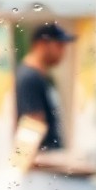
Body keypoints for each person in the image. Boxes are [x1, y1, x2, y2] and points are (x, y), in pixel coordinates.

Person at [16, 22, 73, 152]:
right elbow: (33, 122)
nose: (63, 52)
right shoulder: (29, 77)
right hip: (42, 158)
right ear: (42, 44)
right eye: (59, 46)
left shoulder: (40, 75)